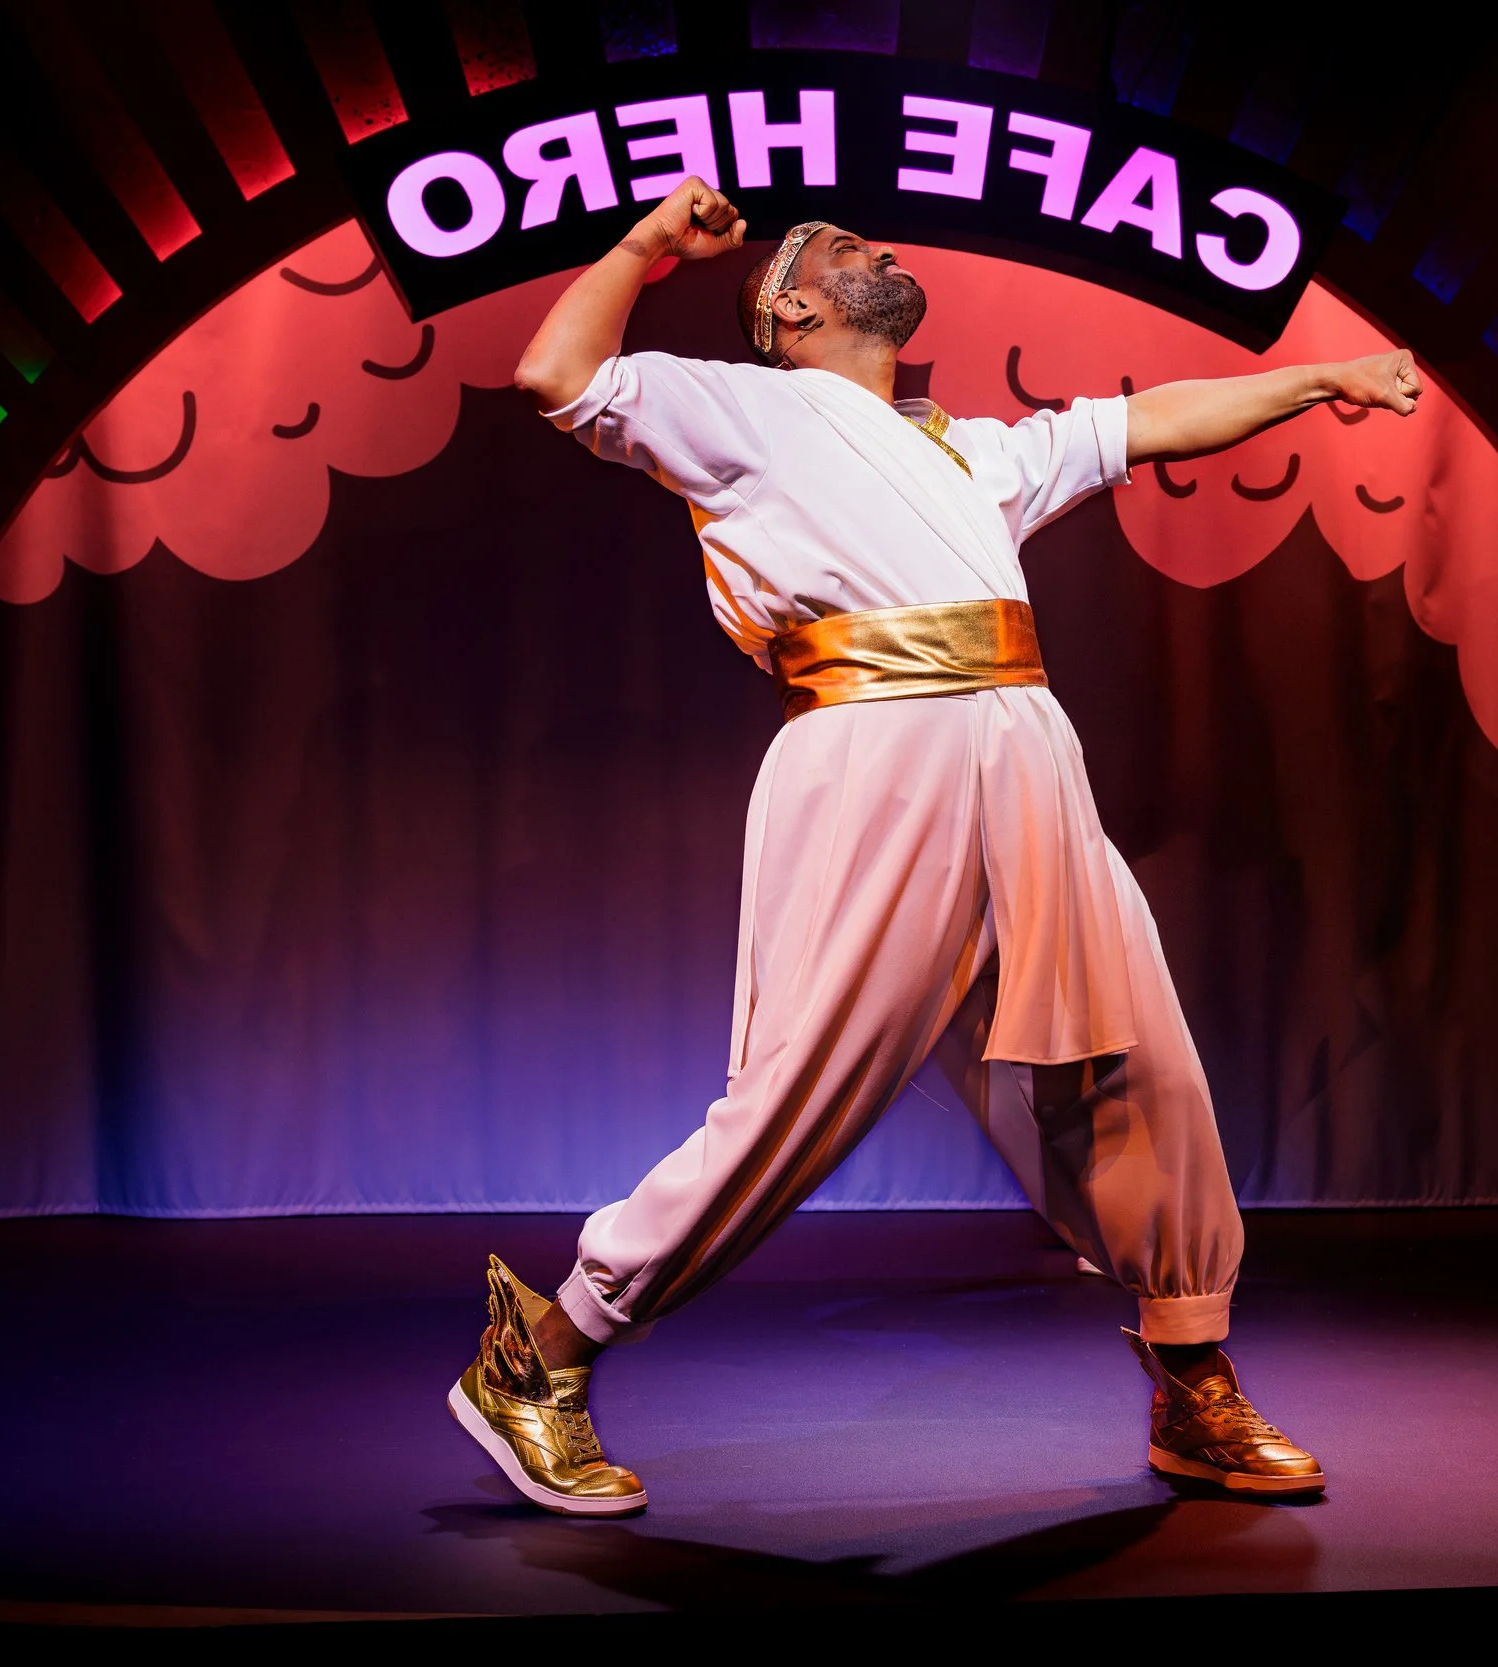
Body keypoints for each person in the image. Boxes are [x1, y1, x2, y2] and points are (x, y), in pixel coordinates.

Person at [451, 177, 1422, 1516]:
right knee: (800, 1094)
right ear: (789, 311)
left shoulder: (969, 454)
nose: (882, 249)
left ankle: (1193, 1379)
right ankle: (542, 1354)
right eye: (846, 248)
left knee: (1132, 1069)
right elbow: (556, 374)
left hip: (1026, 761)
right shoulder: (747, 408)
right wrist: (649, 242)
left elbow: (1148, 421)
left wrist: (1322, 379)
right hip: (875, 754)